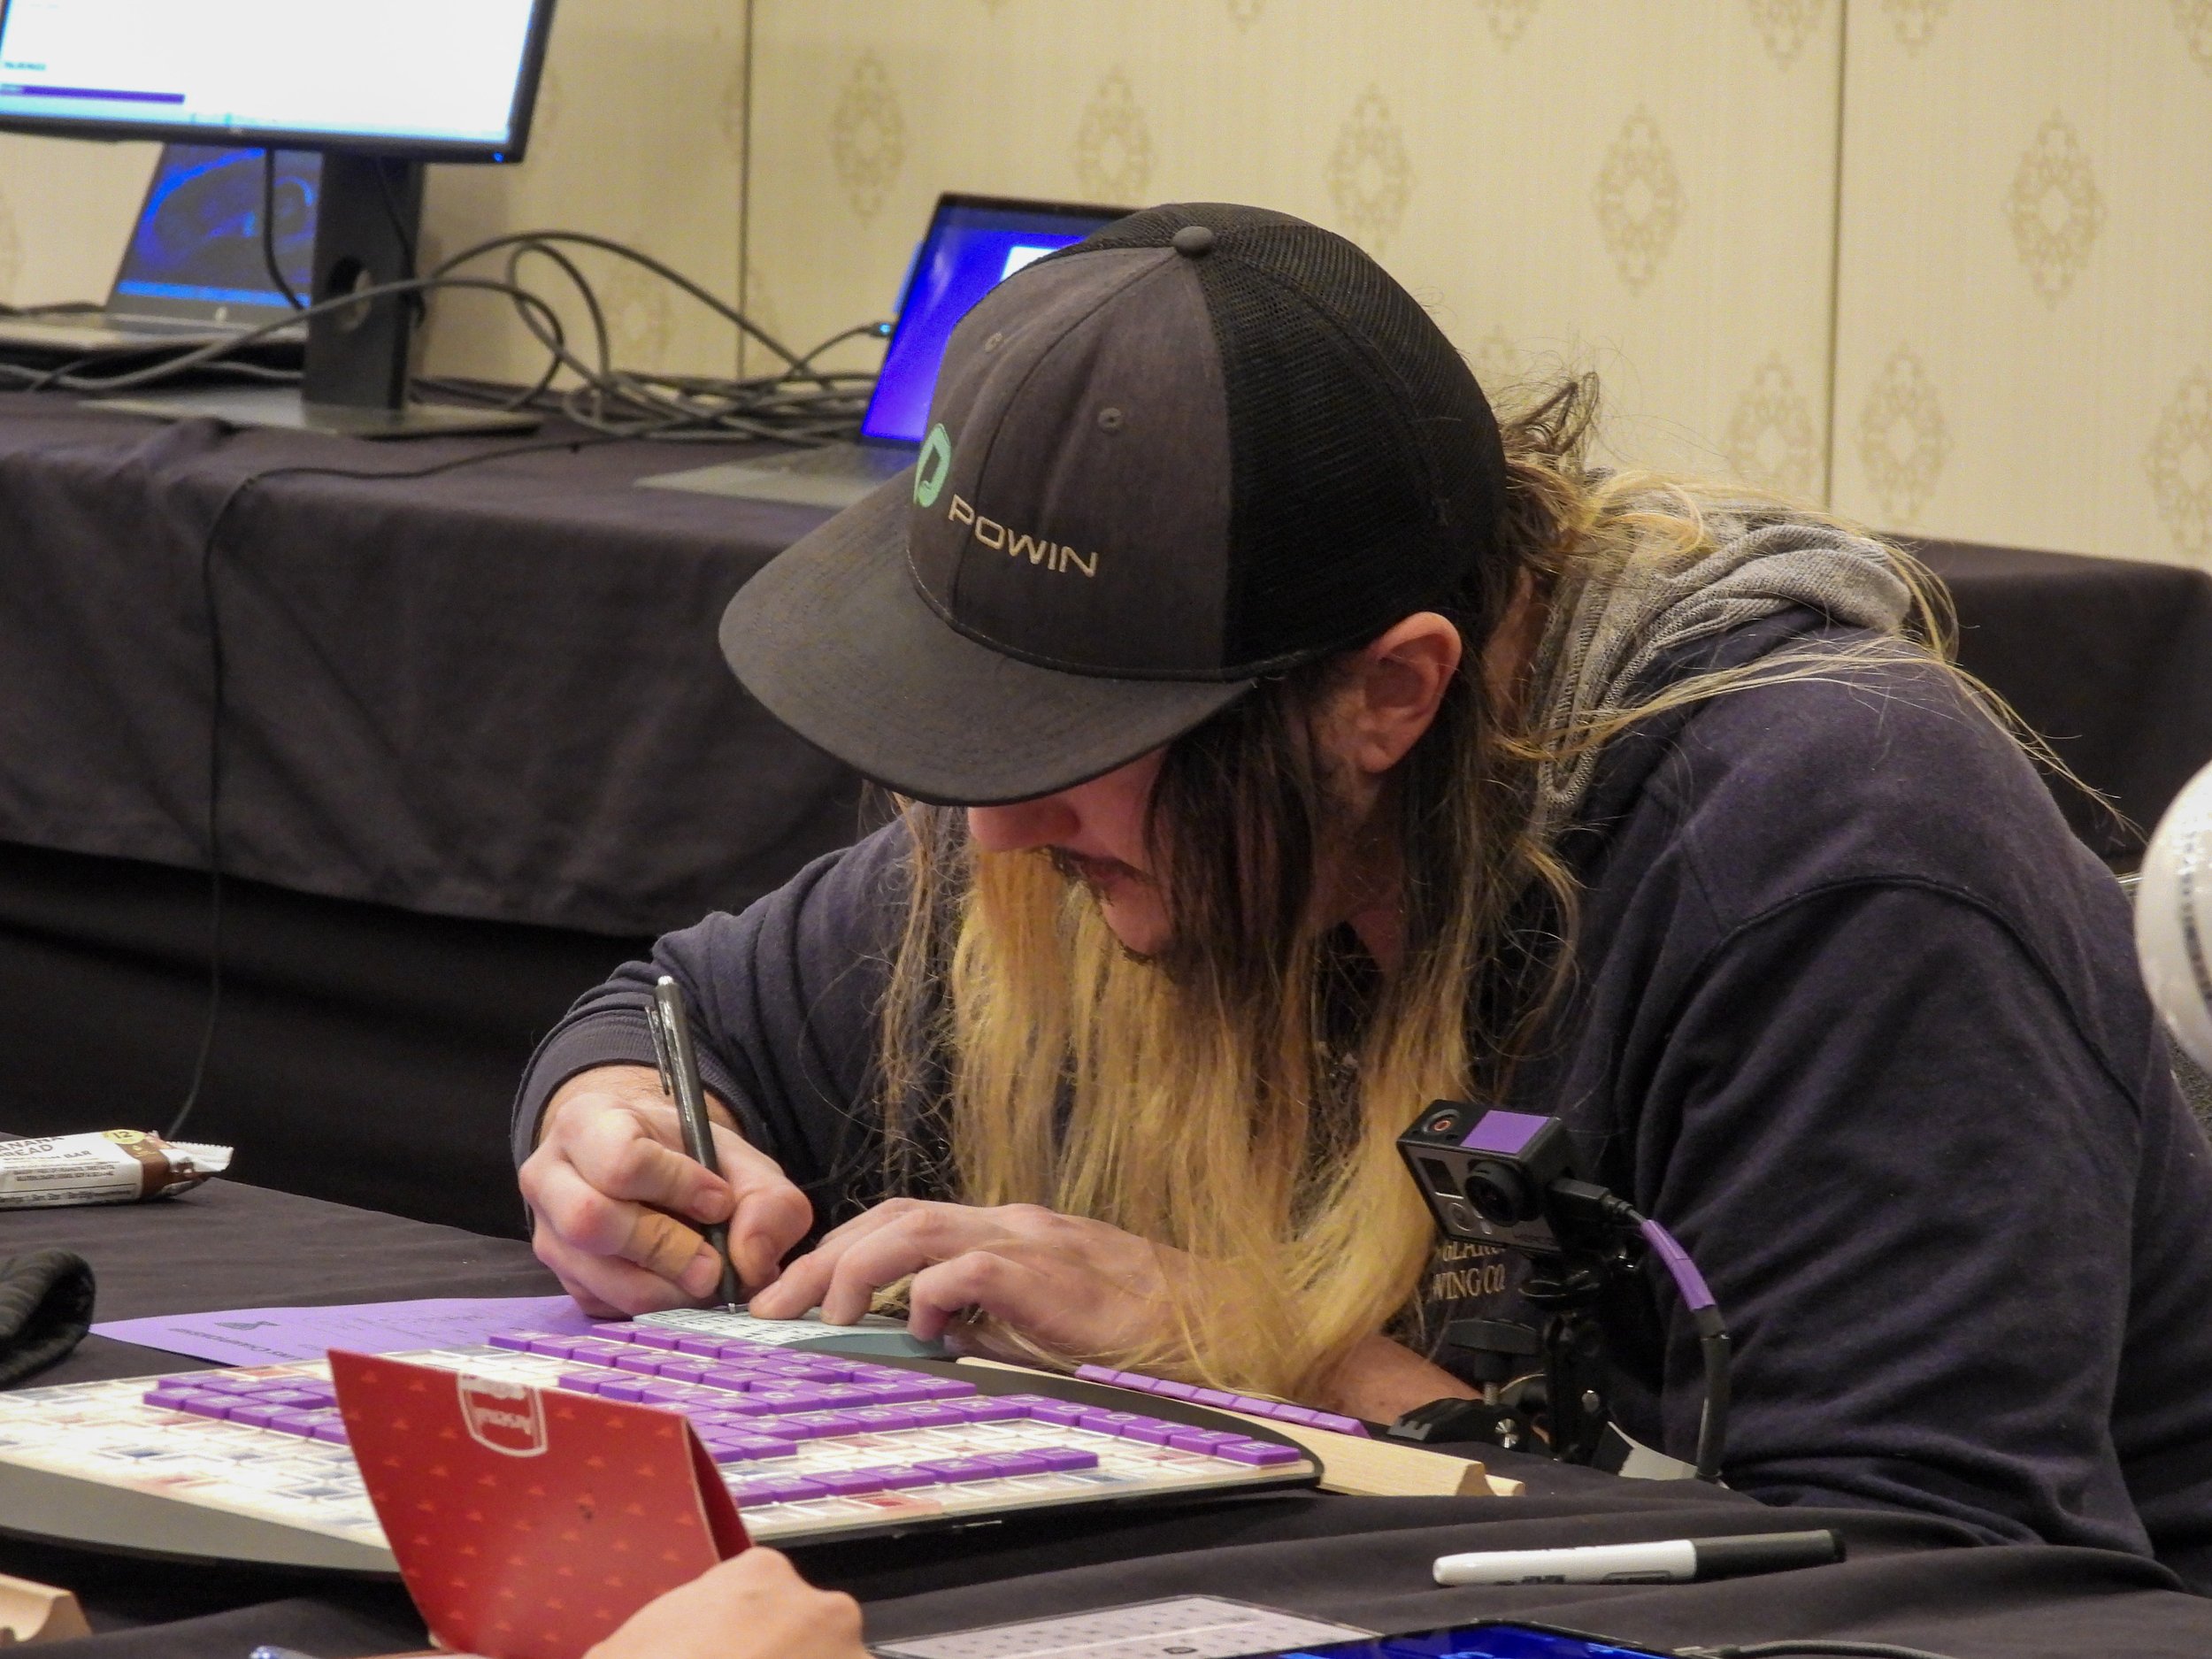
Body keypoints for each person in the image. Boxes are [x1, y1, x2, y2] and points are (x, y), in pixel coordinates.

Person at [517, 204, 2212, 1586]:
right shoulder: (1139, 816)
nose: (1002, 829)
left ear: (1389, 696)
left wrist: (1257, 1354)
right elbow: (689, 1013)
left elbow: (1924, 1588)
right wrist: (617, 1130)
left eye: (1071, 741)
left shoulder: (1836, 850)